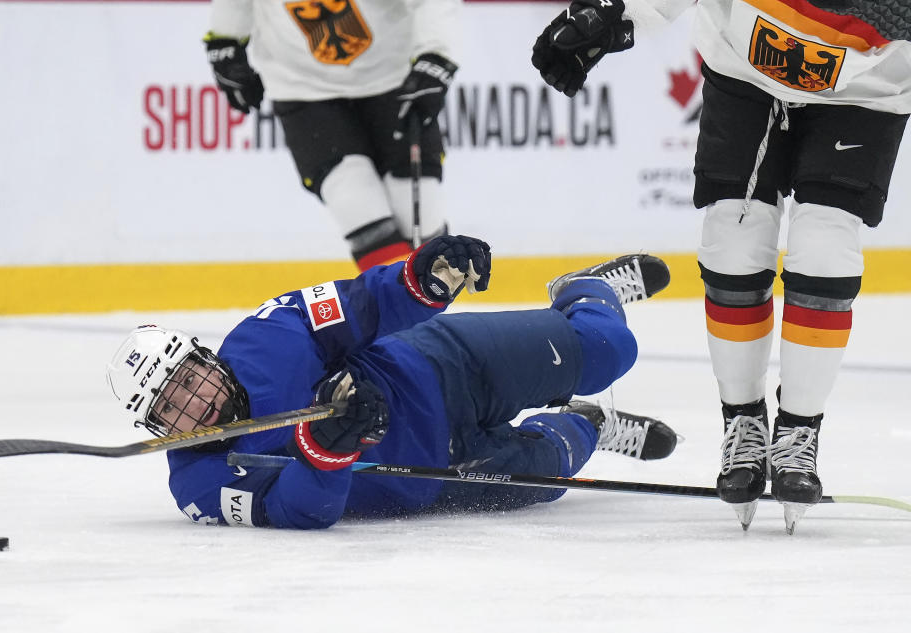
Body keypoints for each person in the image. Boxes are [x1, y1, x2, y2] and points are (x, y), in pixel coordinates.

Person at [530, 0, 910, 532]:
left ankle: (799, 430)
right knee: (732, 240)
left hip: (867, 87)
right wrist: (612, 12)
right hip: (746, 69)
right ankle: (743, 421)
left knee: (826, 249)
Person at [107, 235, 678, 529]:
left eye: (188, 381)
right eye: (171, 406)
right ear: (157, 424)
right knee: (557, 469)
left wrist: (422, 278)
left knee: (608, 350)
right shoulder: (200, 485)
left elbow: (361, 306)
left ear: (205, 358)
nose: (194, 405)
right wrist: (324, 455)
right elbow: (296, 513)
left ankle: (584, 291)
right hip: (432, 478)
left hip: (444, 367)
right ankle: (592, 422)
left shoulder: (267, 337)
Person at [203, 0, 460, 270]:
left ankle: (425, 297)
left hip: (394, 77)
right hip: (301, 85)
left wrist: (436, 56)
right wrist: (226, 39)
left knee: (415, 204)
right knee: (353, 195)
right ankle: (403, 305)